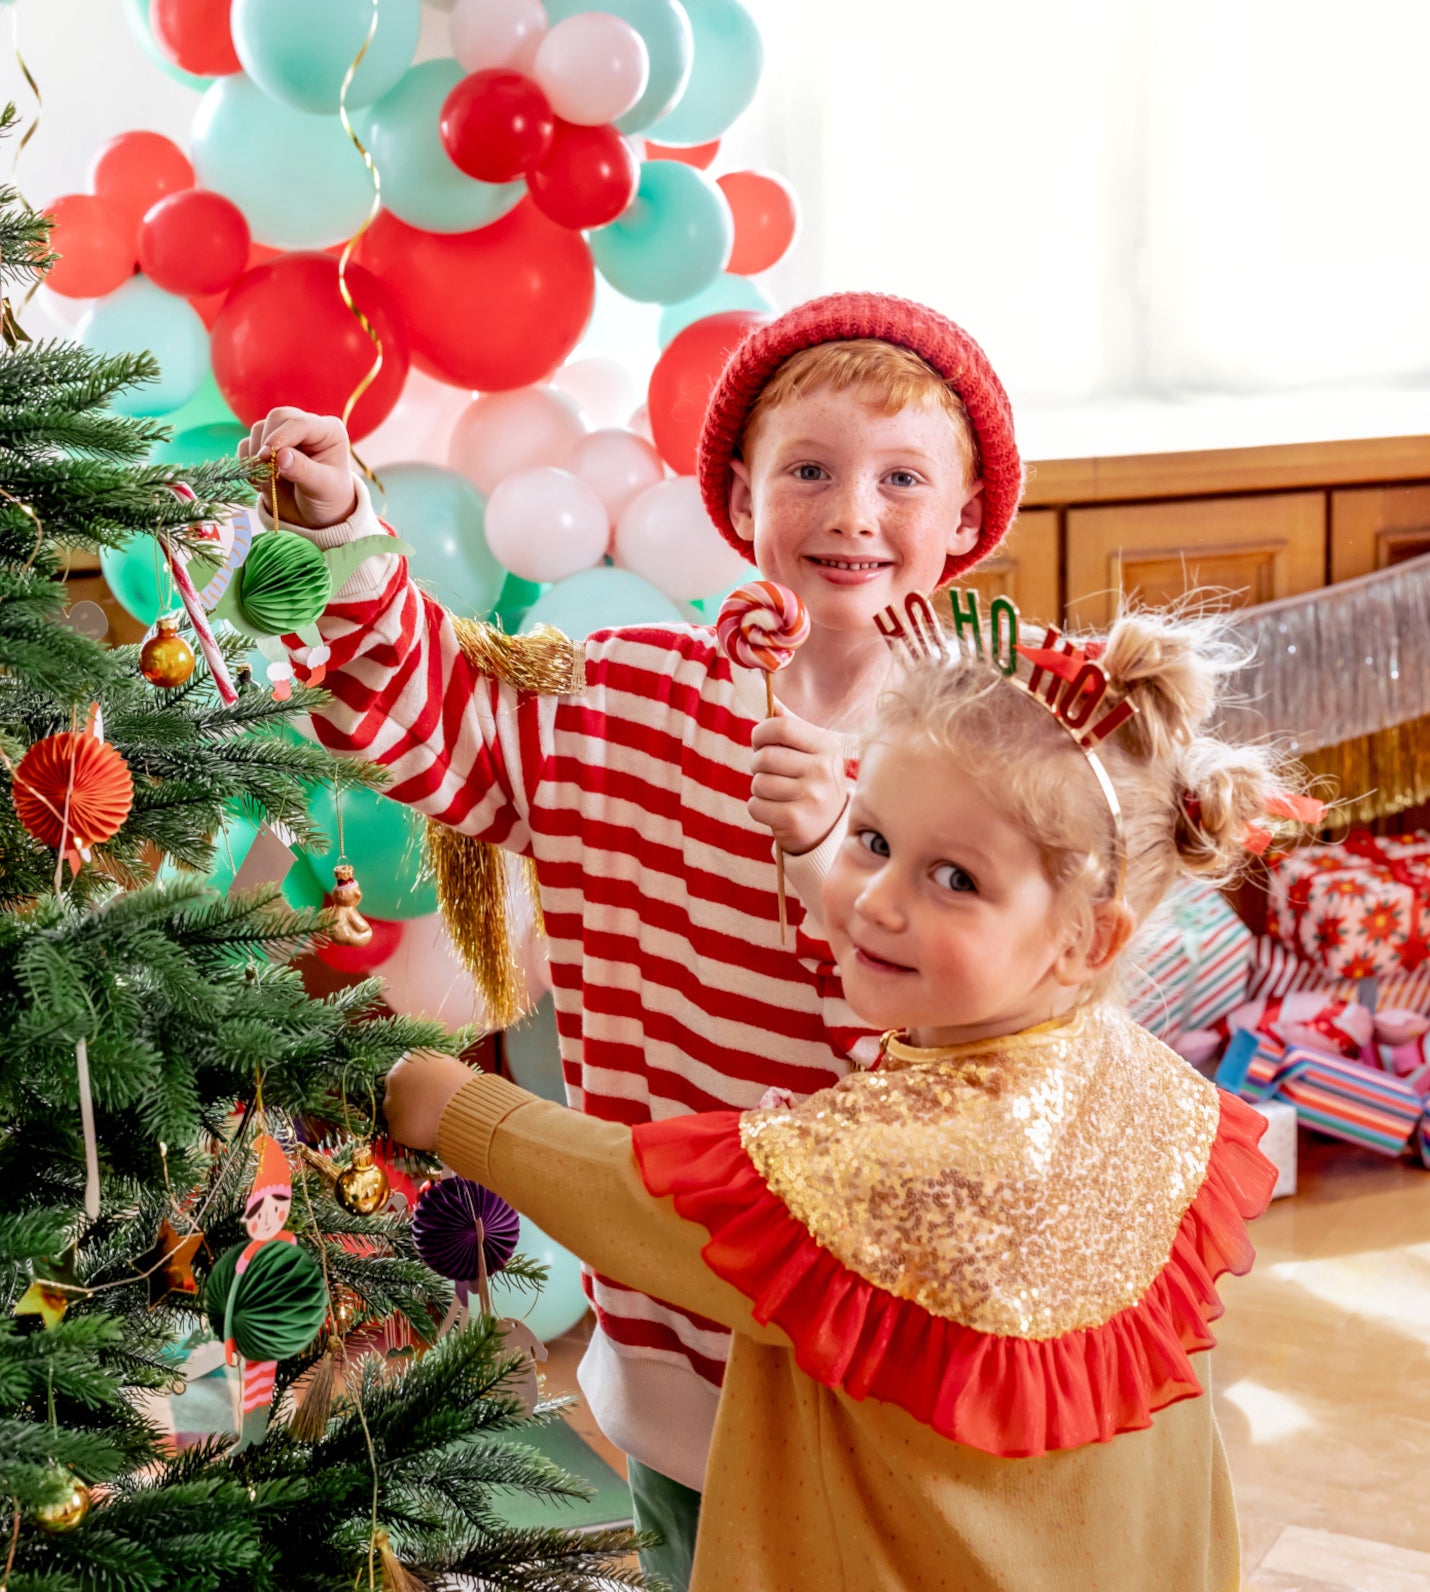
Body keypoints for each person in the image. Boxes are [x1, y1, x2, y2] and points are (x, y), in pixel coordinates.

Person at [236, 294, 1024, 1587]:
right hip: (674, 1358)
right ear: (736, 490)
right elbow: (422, 711)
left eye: (900, 478)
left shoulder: (999, 741)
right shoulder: (624, 693)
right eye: (808, 470)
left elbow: (1020, 1018)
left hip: (901, 1362)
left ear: (964, 516)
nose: (850, 514)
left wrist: (842, 844)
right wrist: (337, 525)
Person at [384, 600, 1312, 1592]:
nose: (876, 898)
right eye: (870, 838)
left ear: (1088, 940)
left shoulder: (907, 1150)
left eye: (953, 877)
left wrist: (453, 1106)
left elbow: (643, 1201)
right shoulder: (1143, 1083)